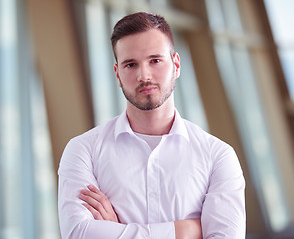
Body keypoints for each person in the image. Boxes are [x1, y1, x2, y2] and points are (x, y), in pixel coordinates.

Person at [58, 12, 246, 239]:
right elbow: (79, 233)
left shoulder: (218, 156)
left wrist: (118, 231)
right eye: (130, 64)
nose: (144, 75)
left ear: (176, 64)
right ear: (117, 74)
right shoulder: (83, 150)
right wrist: (184, 231)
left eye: (155, 60)